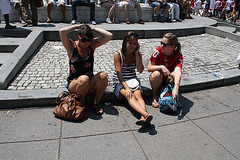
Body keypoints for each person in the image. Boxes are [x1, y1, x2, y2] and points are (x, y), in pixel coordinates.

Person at [59, 24, 113, 115]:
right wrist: (78, 26)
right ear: (78, 37)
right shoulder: (72, 46)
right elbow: (62, 32)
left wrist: (93, 28)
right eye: (83, 39)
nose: (86, 42)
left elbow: (109, 36)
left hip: (89, 82)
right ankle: (81, 105)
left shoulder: (91, 46)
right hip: (75, 84)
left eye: (89, 39)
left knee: (103, 75)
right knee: (84, 79)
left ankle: (96, 103)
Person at [113, 31, 153, 126]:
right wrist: (126, 88)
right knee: (129, 96)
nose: (132, 46)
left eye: (134, 43)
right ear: (125, 43)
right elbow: (119, 74)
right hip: (120, 81)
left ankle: (143, 118)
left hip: (132, 79)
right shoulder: (118, 54)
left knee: (138, 96)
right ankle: (145, 114)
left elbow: (140, 70)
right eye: (130, 43)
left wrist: (136, 54)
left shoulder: (137, 54)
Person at [148, 33, 183, 108]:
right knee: (156, 74)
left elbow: (178, 71)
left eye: (164, 44)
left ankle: (175, 97)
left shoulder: (178, 55)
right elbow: (149, 68)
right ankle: (155, 97)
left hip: (169, 80)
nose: (162, 46)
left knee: (174, 74)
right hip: (159, 79)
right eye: (161, 43)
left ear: (172, 47)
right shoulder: (158, 51)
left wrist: (176, 88)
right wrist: (161, 67)